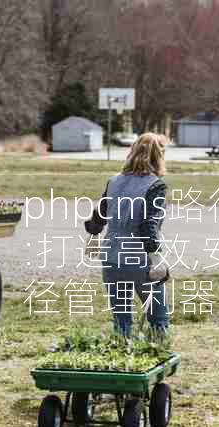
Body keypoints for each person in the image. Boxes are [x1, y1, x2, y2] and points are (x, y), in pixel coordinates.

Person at [86, 133, 169, 335]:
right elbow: (147, 225)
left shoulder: (113, 181)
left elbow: (99, 214)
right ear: (159, 156)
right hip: (140, 258)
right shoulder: (155, 186)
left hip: (112, 257)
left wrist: (93, 236)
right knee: (158, 318)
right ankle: (159, 356)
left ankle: (123, 361)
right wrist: (157, 257)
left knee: (121, 321)